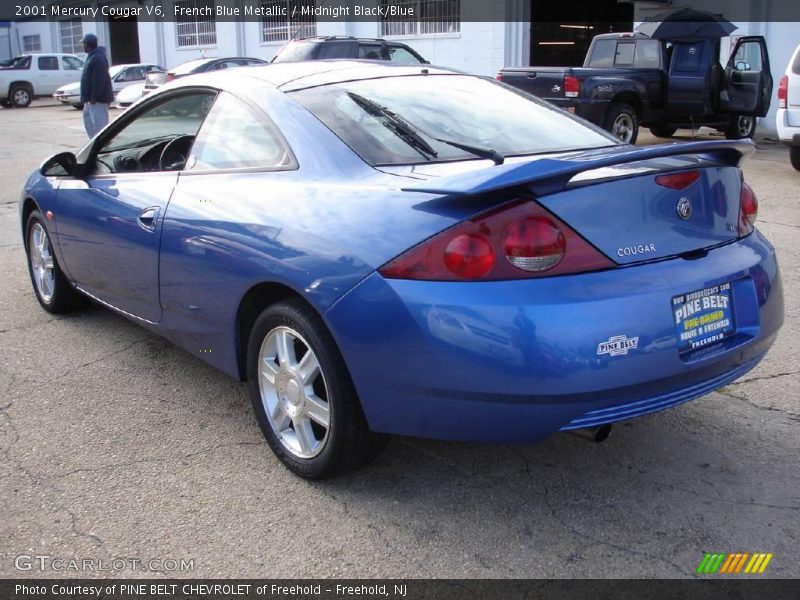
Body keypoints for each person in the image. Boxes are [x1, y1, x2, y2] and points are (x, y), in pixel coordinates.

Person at [79, 33, 114, 138]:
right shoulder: (92, 57)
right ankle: (94, 148)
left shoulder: (97, 58)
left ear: (87, 44)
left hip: (97, 101)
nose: (83, 46)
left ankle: (102, 149)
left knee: (100, 129)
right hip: (89, 101)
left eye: (84, 44)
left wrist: (94, 97)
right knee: (90, 127)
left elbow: (99, 80)